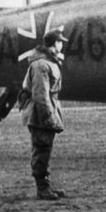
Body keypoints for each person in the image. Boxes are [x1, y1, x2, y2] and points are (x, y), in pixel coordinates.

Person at [19, 29, 69, 200]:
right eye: (60, 41)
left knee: (44, 149)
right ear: (54, 43)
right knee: (41, 149)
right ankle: (42, 188)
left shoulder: (47, 62)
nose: (62, 44)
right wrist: (49, 117)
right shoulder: (41, 64)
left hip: (45, 111)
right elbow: (41, 95)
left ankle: (45, 186)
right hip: (40, 113)